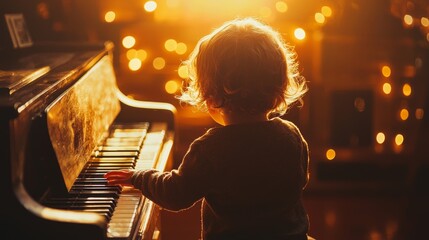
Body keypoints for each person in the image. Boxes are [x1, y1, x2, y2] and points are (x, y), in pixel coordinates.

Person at [104, 17, 311, 240]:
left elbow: (176, 194)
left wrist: (140, 177)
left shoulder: (210, 149)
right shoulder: (292, 135)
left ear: (210, 96)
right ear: (279, 86)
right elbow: (299, 180)